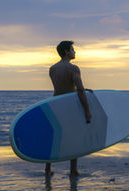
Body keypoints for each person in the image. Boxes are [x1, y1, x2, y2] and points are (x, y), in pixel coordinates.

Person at [45, 40, 92, 177]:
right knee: (74, 137)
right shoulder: (73, 68)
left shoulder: (52, 69)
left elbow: (62, 87)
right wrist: (87, 112)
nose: (75, 51)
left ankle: (47, 170)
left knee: (54, 136)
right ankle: (73, 170)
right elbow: (80, 91)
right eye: (72, 49)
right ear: (66, 51)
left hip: (56, 104)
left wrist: (81, 89)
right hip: (70, 106)